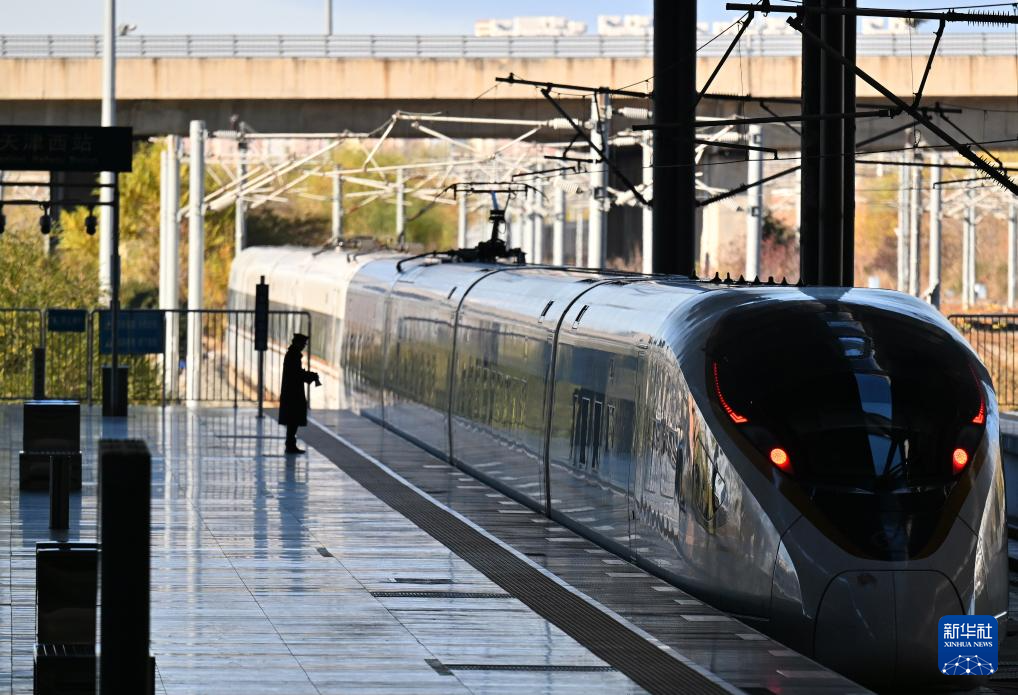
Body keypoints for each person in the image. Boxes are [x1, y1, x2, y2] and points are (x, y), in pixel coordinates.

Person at [278, 333, 320, 454]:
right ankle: (290, 445)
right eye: (303, 344)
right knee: (293, 419)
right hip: (293, 393)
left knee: (293, 420)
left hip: (292, 391)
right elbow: (296, 374)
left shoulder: (292, 354)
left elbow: (296, 373)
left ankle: (290, 444)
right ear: (298, 343)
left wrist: (308, 375)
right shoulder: (293, 355)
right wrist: (310, 376)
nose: (303, 346)